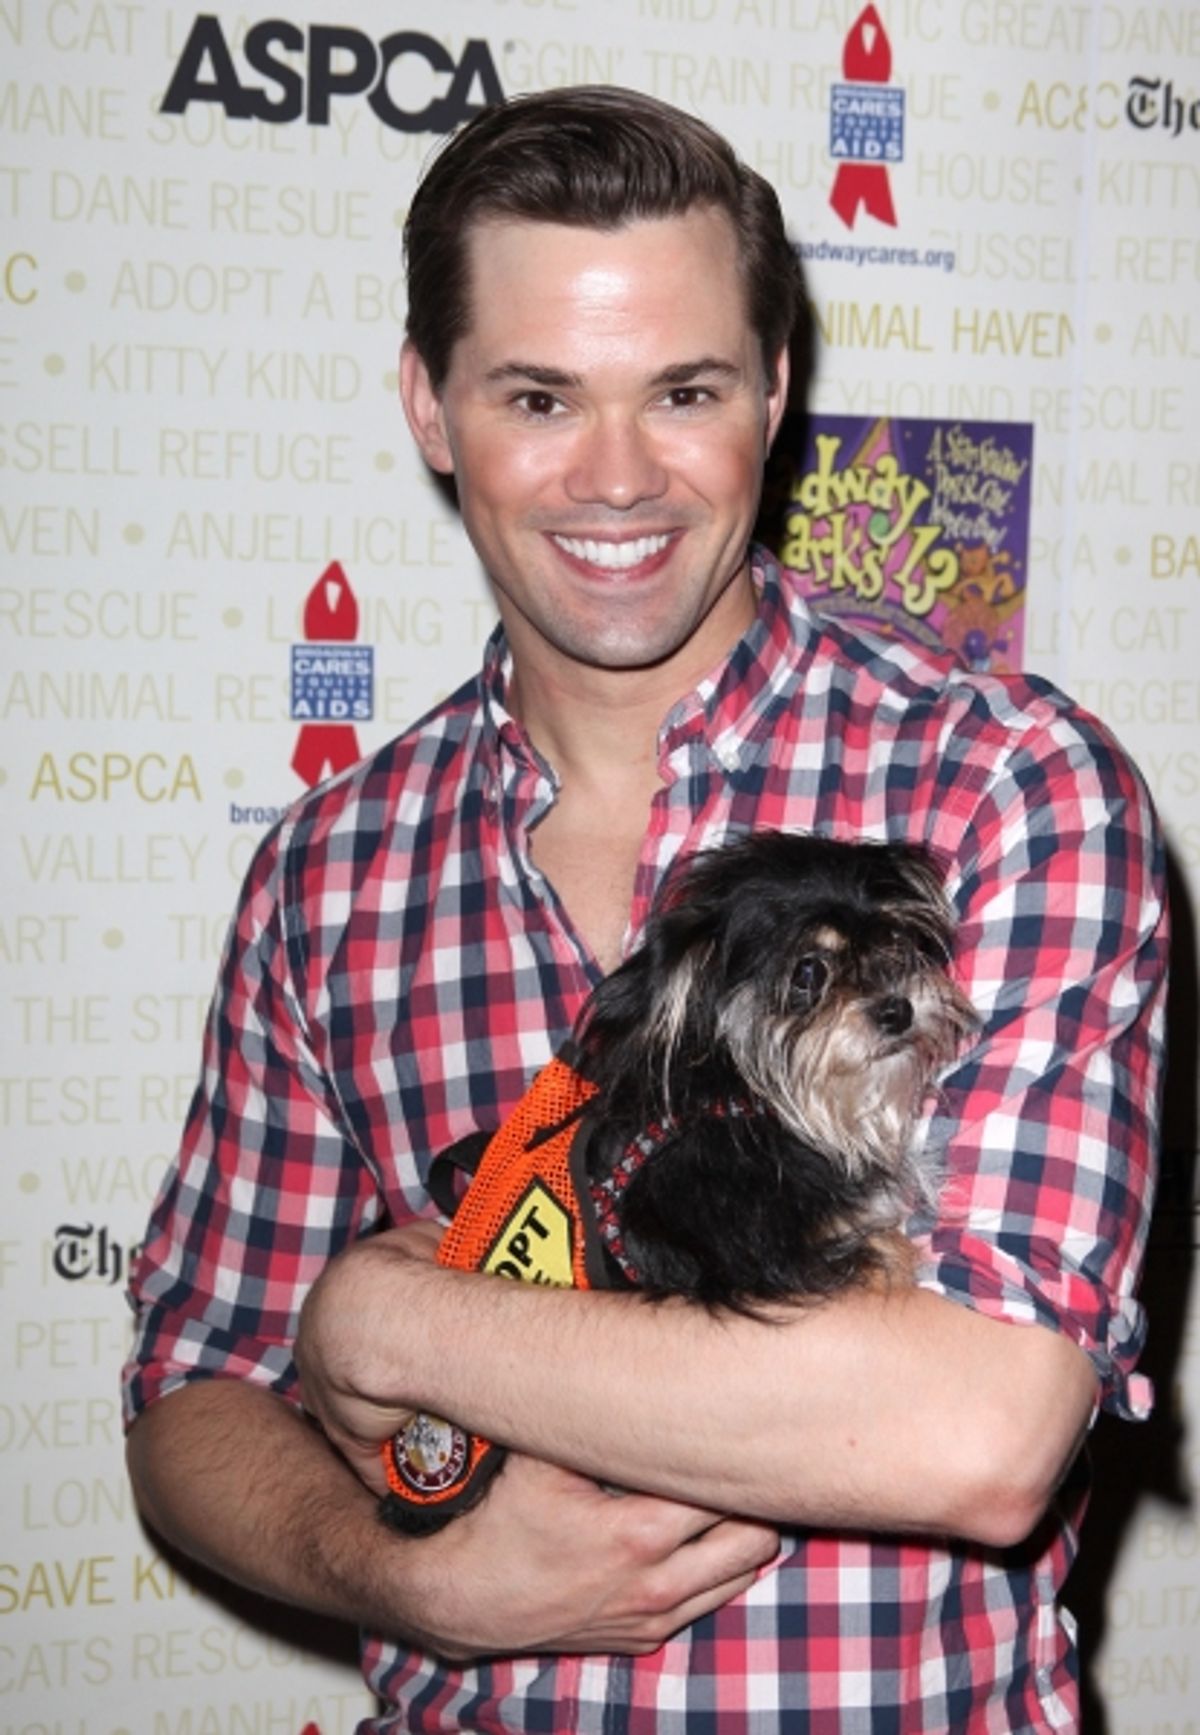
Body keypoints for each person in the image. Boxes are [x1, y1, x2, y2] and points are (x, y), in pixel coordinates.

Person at [123, 86, 1167, 1733]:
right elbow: (191, 1398)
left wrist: (395, 1316)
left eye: (682, 391)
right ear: (428, 405)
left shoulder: (1004, 787)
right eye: (540, 396)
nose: (617, 477)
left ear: (775, 392)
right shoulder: (332, 873)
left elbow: (975, 1433)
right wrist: (407, 1576)